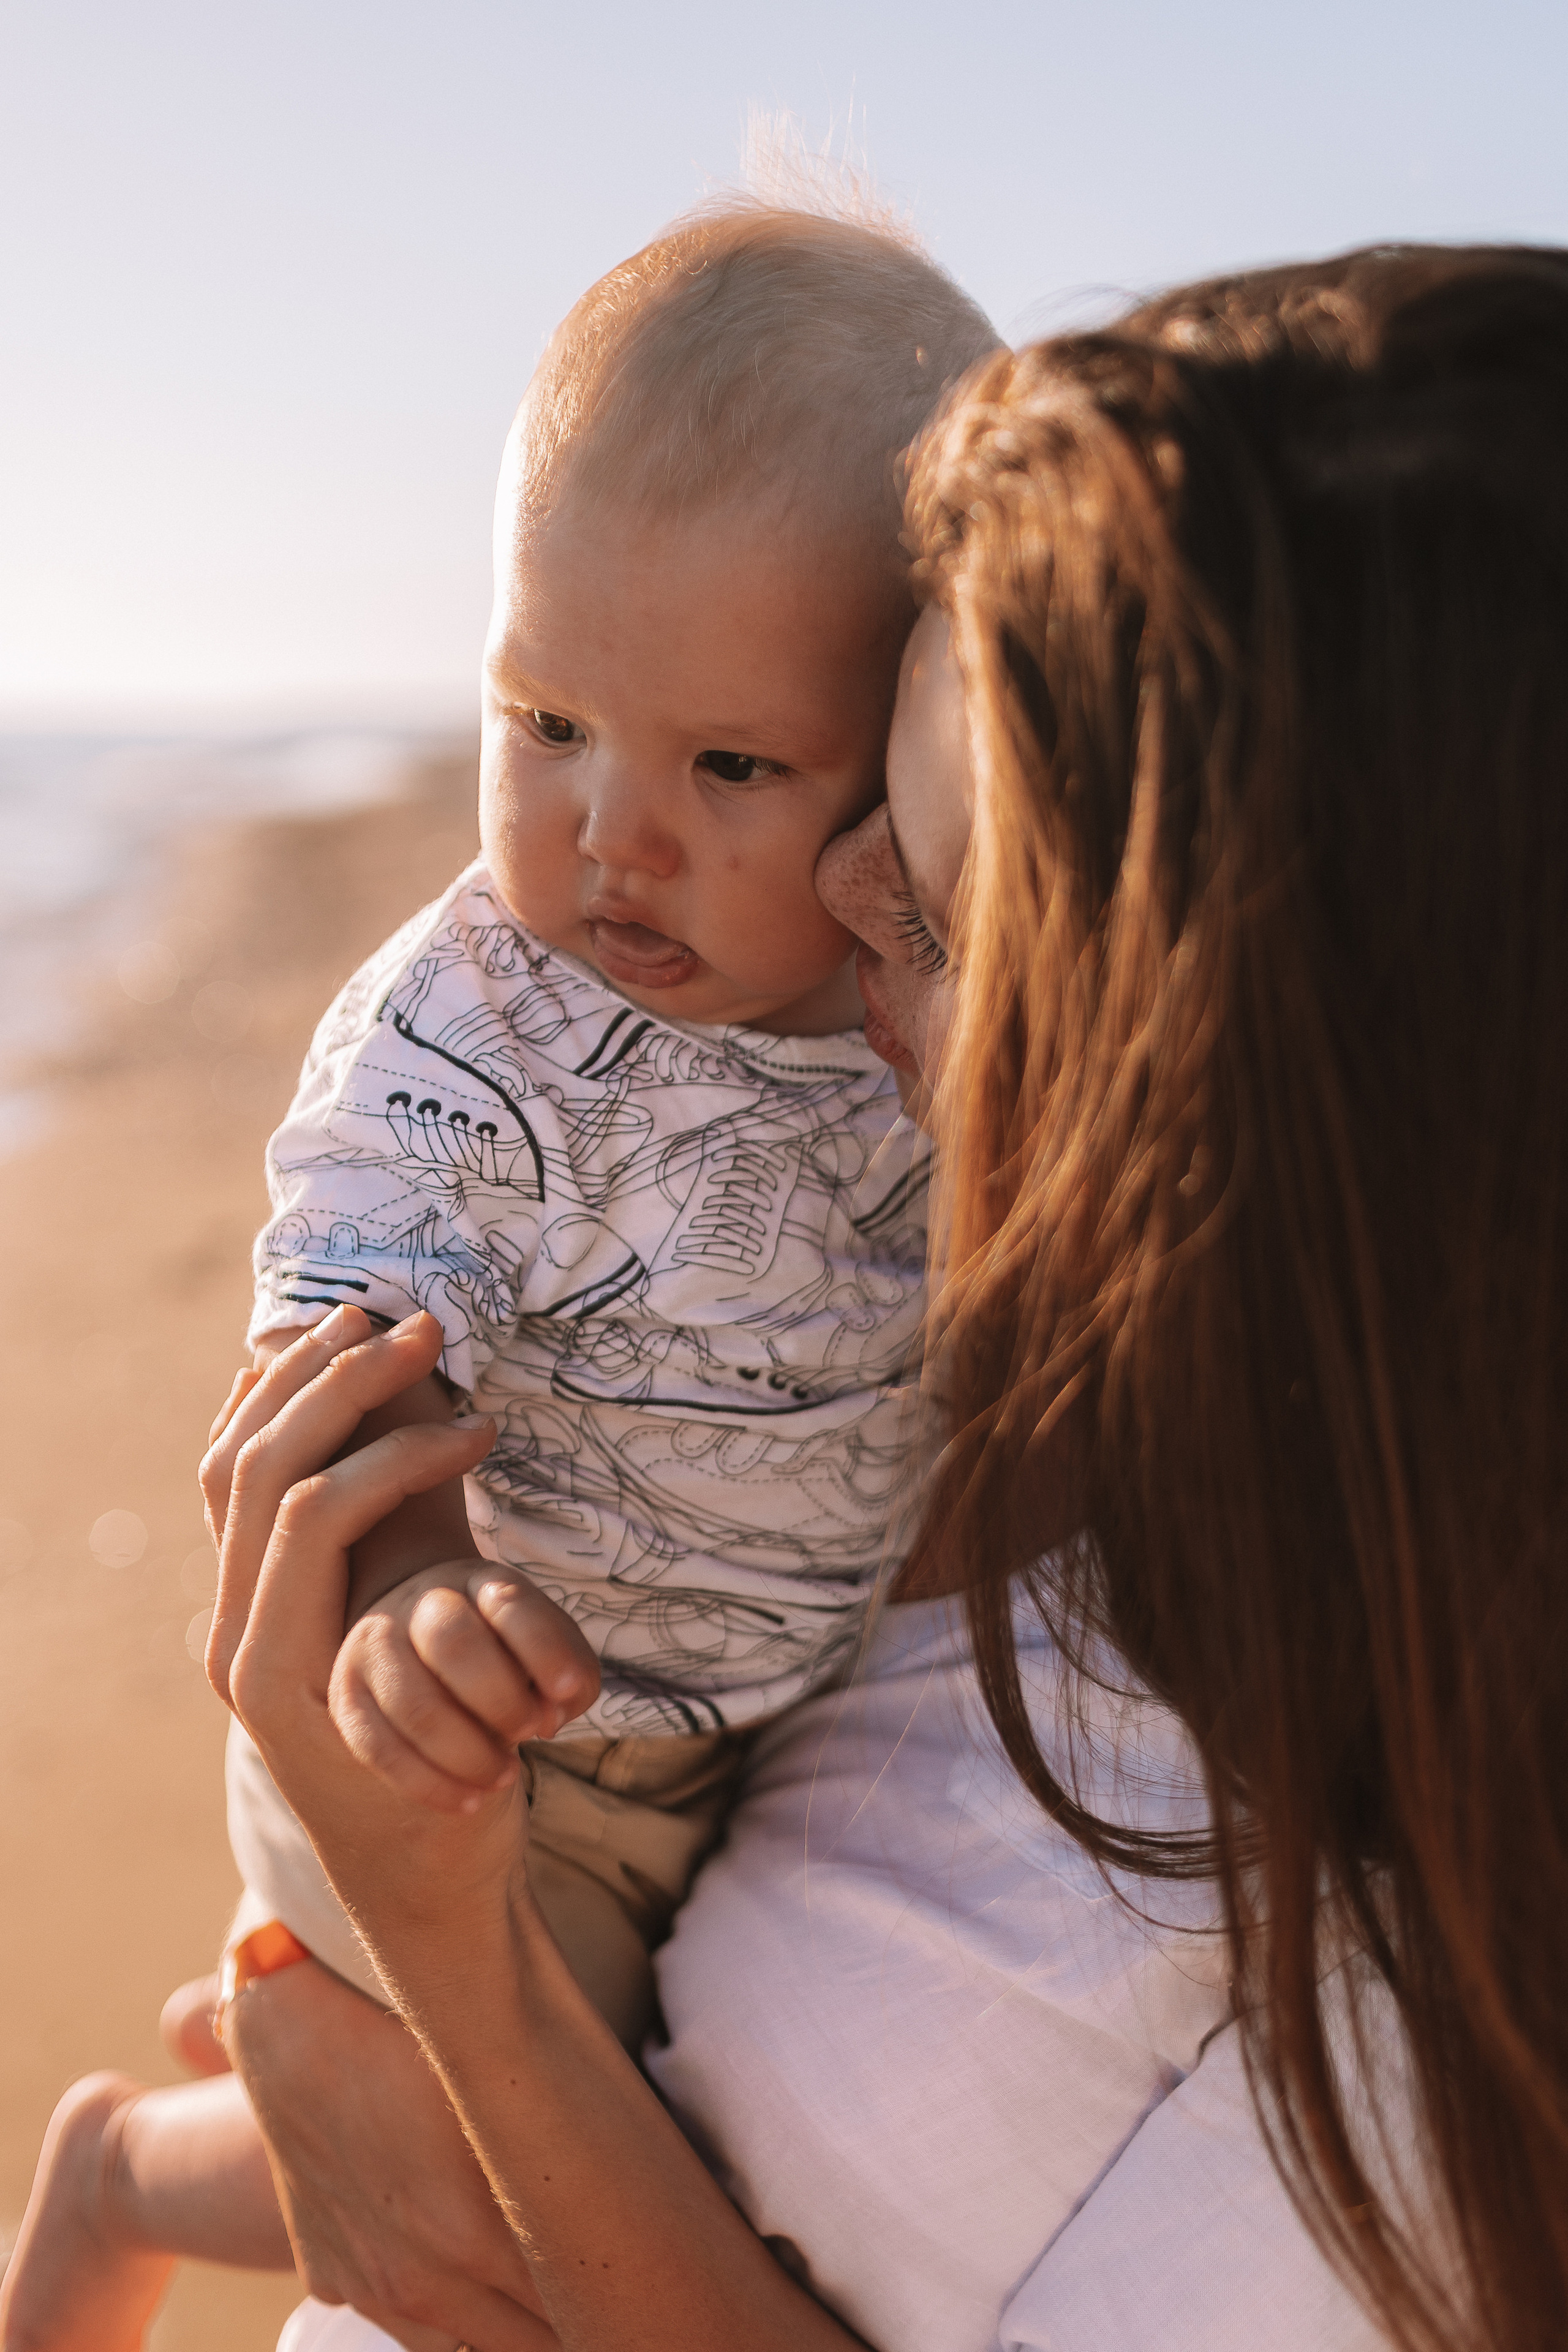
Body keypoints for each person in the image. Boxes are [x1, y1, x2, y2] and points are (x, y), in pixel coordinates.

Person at [237, 239, 1568, 2352]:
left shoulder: (1437, 2025)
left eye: (939, 904)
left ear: (1239, 1064)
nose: (841, 911)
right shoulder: (1082, 1375)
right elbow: (413, 1329)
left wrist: (462, 2002)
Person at [0, 200, 997, 2349]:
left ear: (904, 759)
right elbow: (350, 1327)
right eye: (544, 716)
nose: (609, 833)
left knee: (671, 2146)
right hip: (461, 1743)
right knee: (502, 2182)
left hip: (753, 1714)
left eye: (730, 764)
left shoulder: (909, 993)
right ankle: (109, 2176)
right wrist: (417, 1594)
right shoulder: (476, 1027)